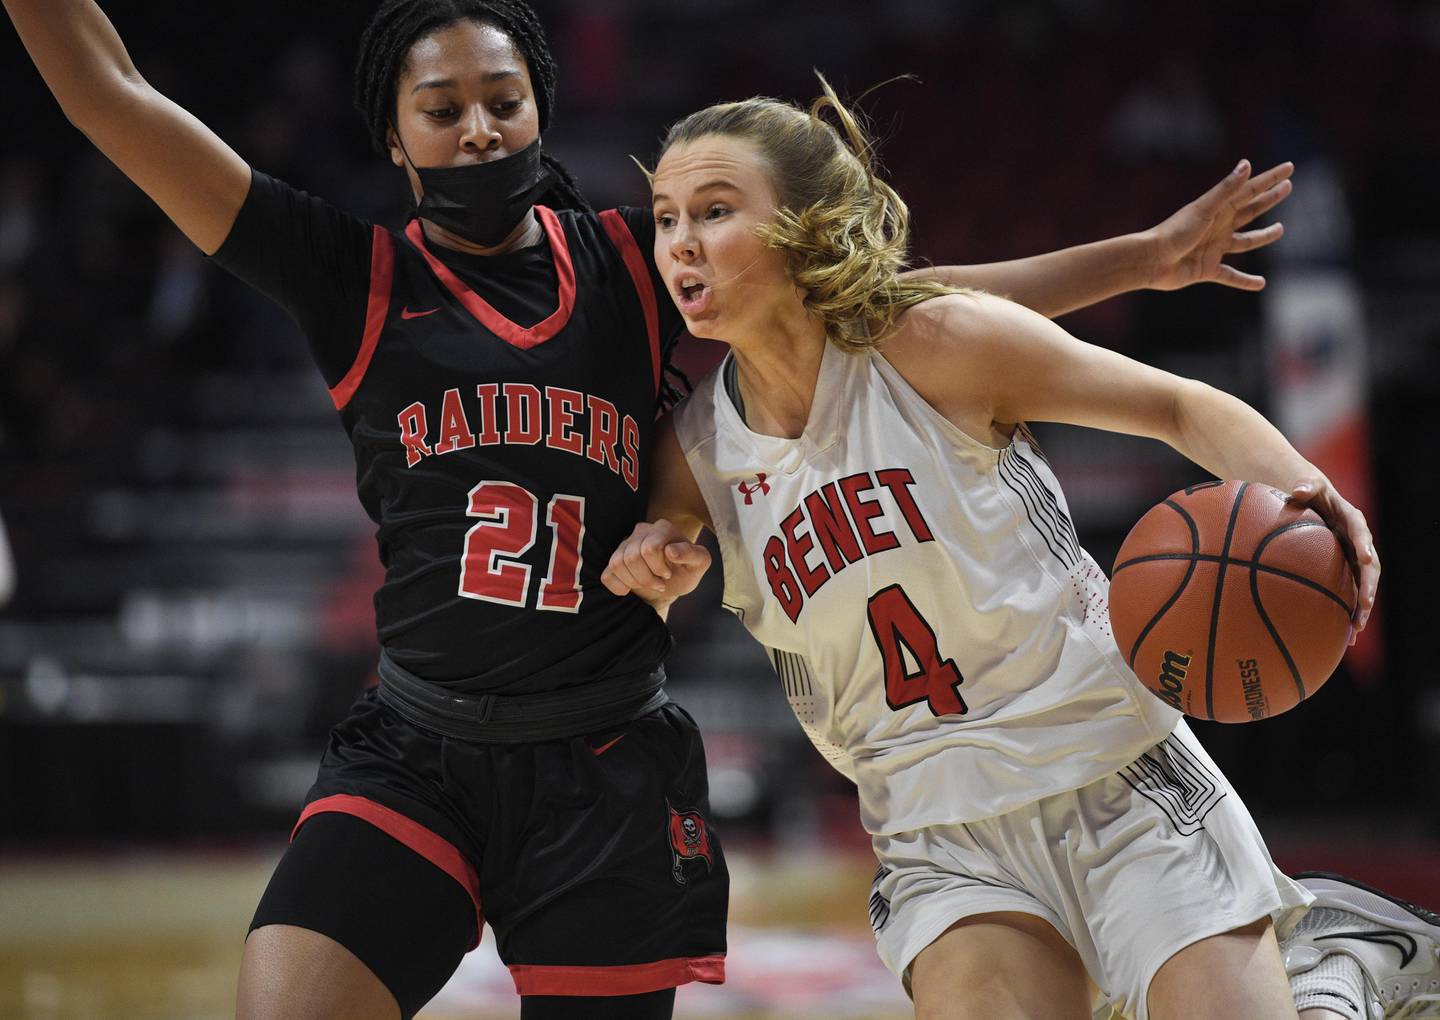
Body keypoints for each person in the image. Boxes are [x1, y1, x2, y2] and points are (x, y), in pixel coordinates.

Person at [1, 1, 1319, 1017]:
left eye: (503, 101)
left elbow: (884, 294)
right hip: (421, 746)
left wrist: (1139, 260)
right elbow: (113, 99)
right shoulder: (350, 277)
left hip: (604, 767)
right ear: (391, 138)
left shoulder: (640, 260)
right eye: (441, 107)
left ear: (539, 111)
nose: (475, 130)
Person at [598, 80, 1438, 1020]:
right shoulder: (694, 453)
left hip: (1115, 773)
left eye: (715, 211)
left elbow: (1179, 406)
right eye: (667, 216)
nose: (680, 240)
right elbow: (654, 588)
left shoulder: (933, 343)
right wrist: (654, 570)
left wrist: (1303, 492)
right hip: (936, 832)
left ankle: (1339, 961)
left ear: (804, 226)